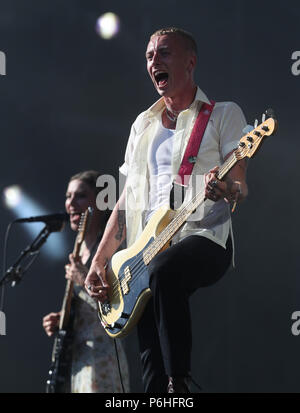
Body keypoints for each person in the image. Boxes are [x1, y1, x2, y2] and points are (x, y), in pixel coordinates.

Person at [84, 27, 248, 393]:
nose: (153, 61)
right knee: (149, 363)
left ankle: (180, 383)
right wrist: (100, 260)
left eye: (164, 54)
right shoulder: (142, 125)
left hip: (204, 236)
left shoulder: (222, 115)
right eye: (148, 56)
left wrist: (224, 189)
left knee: (165, 271)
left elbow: (240, 185)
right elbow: (125, 200)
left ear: (190, 62)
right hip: (147, 249)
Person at [43, 170, 130, 393]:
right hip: (78, 357)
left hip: (102, 355)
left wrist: (83, 279)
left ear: (100, 202)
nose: (71, 203)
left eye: (80, 196)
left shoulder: (112, 247)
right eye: (68, 196)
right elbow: (88, 308)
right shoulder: (78, 249)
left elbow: (119, 303)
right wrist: (65, 320)